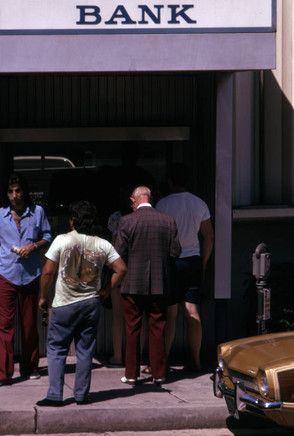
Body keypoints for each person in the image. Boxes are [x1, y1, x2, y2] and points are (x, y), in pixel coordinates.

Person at [36, 201, 127, 407]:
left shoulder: (62, 240)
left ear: (72, 221)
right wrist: (105, 290)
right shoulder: (103, 244)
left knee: (57, 349)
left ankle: (54, 395)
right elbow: (121, 269)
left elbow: (48, 272)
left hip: (64, 304)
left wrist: (43, 297)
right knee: (85, 351)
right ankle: (81, 395)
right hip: (90, 303)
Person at [0, 173, 52, 387]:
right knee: (4, 325)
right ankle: (1, 373)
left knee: (29, 324)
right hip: (6, 274)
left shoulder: (37, 212)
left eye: (18, 190)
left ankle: (30, 366)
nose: (14, 195)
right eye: (10, 191)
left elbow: (48, 236)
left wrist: (32, 246)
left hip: (30, 274)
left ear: (24, 192)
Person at [114, 186, 181, 385]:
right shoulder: (168, 221)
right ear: (150, 198)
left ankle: (132, 374)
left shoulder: (126, 221)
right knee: (158, 328)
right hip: (160, 284)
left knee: (132, 329)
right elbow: (175, 252)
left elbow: (118, 253)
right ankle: (159, 373)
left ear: (134, 200)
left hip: (132, 284)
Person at [156, 163, 214, 371]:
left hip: (171, 262)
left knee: (169, 313)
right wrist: (203, 262)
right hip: (194, 261)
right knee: (192, 310)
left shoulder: (163, 204)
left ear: (170, 181)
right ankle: (196, 360)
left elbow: (159, 237)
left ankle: (163, 360)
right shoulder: (200, 204)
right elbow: (208, 236)